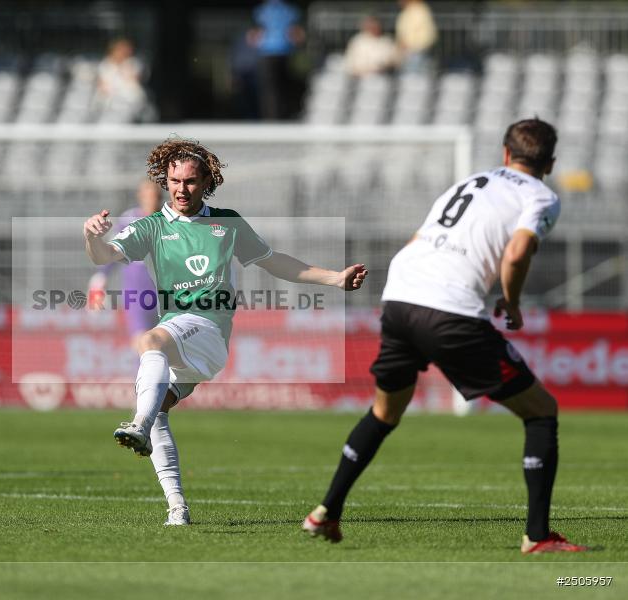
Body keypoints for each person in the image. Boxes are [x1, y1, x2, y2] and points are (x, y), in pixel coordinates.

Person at [302, 119, 588, 554]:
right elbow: (516, 253)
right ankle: (537, 535)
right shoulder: (541, 195)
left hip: (399, 295)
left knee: (384, 412)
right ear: (550, 162)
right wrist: (510, 303)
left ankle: (325, 513)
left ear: (506, 154)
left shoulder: (473, 180)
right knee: (541, 411)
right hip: (449, 310)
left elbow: (421, 237)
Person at [84, 138, 368, 525]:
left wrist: (335, 278)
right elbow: (104, 257)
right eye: (174, 181)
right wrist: (91, 236)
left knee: (150, 341)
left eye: (190, 181)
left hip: (208, 332)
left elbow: (275, 263)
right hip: (185, 344)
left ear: (207, 182)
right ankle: (177, 508)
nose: (181, 189)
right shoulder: (150, 227)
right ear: (164, 182)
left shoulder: (226, 223)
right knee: (157, 405)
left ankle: (139, 424)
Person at [87, 180, 163, 352]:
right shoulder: (129, 220)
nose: (153, 198)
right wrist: (100, 279)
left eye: (156, 194)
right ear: (140, 196)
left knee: (164, 343)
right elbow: (112, 250)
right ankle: (145, 378)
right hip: (136, 291)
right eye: (148, 193)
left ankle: (165, 378)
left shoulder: (169, 220)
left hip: (165, 291)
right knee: (141, 341)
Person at [252, 0, 306, 120]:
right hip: (285, 53)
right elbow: (298, 35)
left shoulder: (262, 10)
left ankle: (272, 118)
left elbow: (254, 35)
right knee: (283, 88)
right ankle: (283, 116)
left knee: (270, 90)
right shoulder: (291, 10)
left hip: (268, 53)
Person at [395, 0, 437, 73]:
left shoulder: (419, 11)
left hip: (415, 52)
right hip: (408, 52)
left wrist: (412, 46)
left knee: (413, 78)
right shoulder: (408, 11)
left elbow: (427, 34)